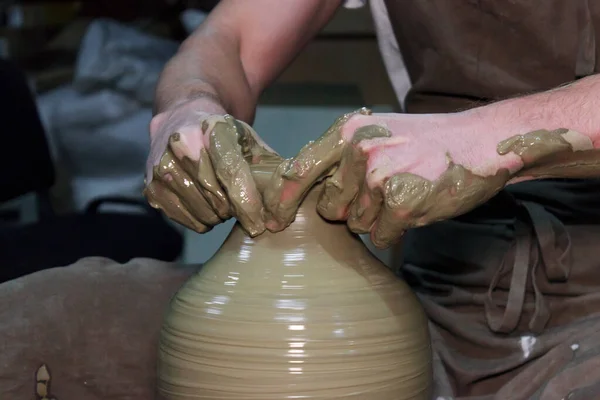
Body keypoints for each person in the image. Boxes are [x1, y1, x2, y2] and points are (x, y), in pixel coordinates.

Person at [143, 0, 600, 399]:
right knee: (78, 315)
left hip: (591, 298)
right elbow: (234, 39)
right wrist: (186, 108)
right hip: (439, 286)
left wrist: (482, 140)